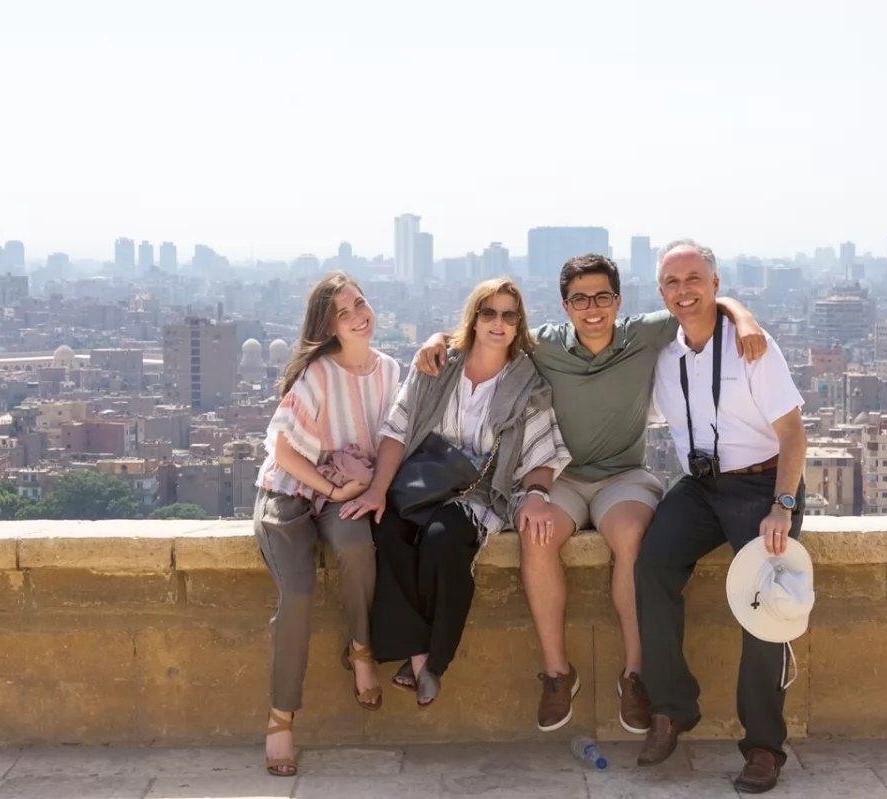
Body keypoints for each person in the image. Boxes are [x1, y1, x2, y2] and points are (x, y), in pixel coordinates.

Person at [414, 254, 767, 734]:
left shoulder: (644, 334)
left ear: (618, 300)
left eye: (602, 296)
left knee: (630, 536)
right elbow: (488, 336)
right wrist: (438, 340)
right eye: (579, 299)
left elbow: (699, 302)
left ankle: (635, 674)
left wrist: (743, 317)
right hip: (558, 477)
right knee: (536, 535)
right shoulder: (544, 347)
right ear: (565, 306)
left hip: (623, 475)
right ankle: (558, 673)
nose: (592, 308)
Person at [346, 277, 572, 709]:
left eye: (509, 315)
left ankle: (434, 662)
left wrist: (539, 495)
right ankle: (418, 651)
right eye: (489, 312)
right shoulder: (436, 365)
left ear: (519, 323)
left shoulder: (528, 384)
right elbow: (396, 430)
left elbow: (542, 450)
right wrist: (377, 490)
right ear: (474, 318)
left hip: (476, 492)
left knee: (442, 540)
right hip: (419, 480)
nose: (498, 323)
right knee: (385, 529)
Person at [634, 239, 807, 795]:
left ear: (714, 283)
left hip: (763, 485)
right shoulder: (662, 348)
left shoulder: (752, 346)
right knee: (652, 567)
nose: (683, 291)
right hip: (701, 487)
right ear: (661, 293)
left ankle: (762, 745)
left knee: (764, 601)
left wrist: (782, 504)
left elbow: (793, 434)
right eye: (671, 283)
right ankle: (672, 708)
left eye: (694, 279)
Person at [253, 272, 401, 778]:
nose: (359, 314)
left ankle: (361, 648)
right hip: (293, 489)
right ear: (330, 326)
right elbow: (282, 449)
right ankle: (281, 717)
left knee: (358, 547)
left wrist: (352, 491)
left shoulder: (390, 371)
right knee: (296, 595)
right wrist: (332, 489)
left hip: (347, 488)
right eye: (344, 311)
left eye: (360, 302)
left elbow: (391, 441)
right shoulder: (317, 374)